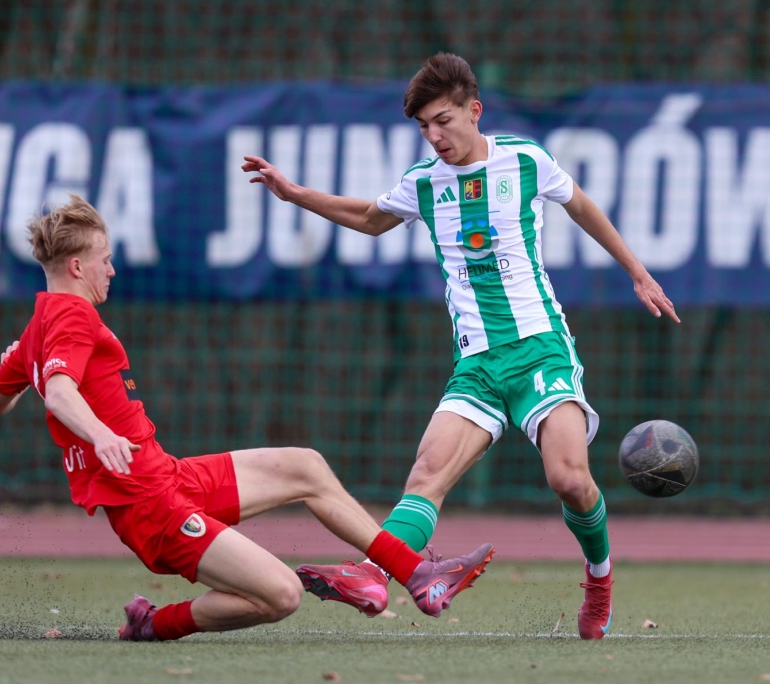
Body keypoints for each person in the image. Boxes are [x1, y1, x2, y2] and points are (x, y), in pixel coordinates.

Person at [242, 52, 680, 640]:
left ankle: (599, 581)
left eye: (443, 120)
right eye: (424, 126)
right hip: (476, 365)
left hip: (540, 350)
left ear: (474, 110)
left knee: (569, 480)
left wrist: (638, 273)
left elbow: (581, 206)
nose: (434, 136)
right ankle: (375, 574)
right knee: (426, 474)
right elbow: (370, 218)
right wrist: (294, 193)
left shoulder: (525, 160)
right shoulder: (424, 182)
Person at [0, 194, 496, 641]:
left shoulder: (36, 330)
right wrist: (99, 434)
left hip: (167, 477)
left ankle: (413, 574)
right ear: (77, 267)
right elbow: (61, 394)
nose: (111, 270)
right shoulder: (72, 314)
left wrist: (23, 367)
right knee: (281, 595)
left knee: (306, 466)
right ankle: (155, 624)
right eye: (106, 260)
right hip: (148, 505)